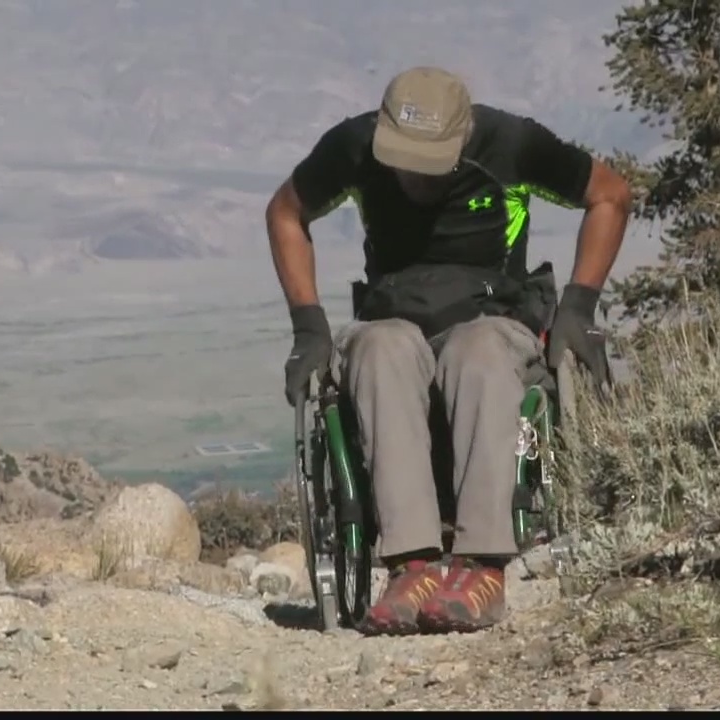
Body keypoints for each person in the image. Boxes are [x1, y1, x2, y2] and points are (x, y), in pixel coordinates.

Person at [264, 66, 631, 636]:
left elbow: (609, 194)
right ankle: (410, 567)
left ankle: (482, 566)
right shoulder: (354, 149)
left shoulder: (510, 145)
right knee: (379, 350)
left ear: (461, 140)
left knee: (479, 352)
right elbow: (286, 212)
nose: (411, 175)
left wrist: (579, 309)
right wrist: (308, 327)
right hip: (393, 316)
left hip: (494, 317)